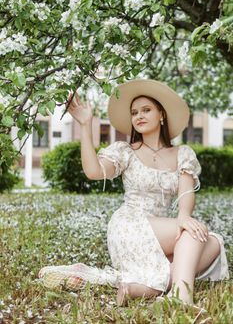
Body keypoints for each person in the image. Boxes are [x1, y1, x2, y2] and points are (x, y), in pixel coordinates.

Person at [39, 79, 229, 311]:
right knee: (194, 234)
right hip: (130, 226)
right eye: (134, 112)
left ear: (161, 115)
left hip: (163, 233)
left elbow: (187, 193)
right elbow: (93, 171)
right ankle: (180, 297)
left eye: (146, 110)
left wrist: (184, 215)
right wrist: (86, 124)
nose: (139, 115)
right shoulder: (125, 151)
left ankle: (138, 289)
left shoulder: (183, 154)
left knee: (213, 243)